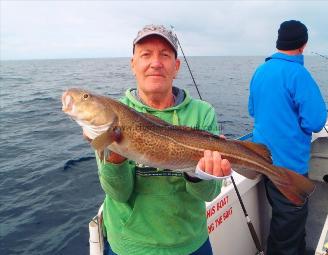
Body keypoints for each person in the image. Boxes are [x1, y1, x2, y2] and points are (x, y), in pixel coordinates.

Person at [95, 24, 231, 255]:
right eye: (146, 54)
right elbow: (119, 194)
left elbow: (208, 194)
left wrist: (197, 174)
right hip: (130, 246)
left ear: (176, 66)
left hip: (190, 243)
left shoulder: (202, 113)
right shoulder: (114, 114)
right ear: (133, 64)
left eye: (165, 55)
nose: (155, 63)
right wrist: (116, 153)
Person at [248, 20, 327, 255]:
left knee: (289, 223)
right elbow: (315, 122)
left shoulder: (260, 71)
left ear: (279, 41)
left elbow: (253, 110)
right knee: (288, 230)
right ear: (303, 45)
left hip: (263, 161)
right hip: (290, 168)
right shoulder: (298, 74)